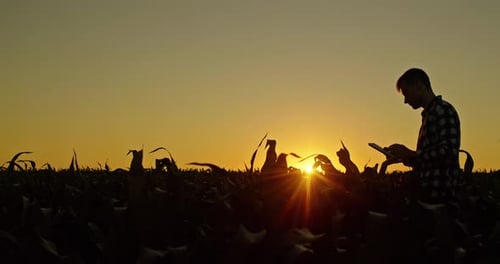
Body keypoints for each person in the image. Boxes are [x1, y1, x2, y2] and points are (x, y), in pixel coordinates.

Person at [384, 68, 462, 204]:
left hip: (440, 197)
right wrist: (405, 157)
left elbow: (448, 152)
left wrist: (410, 154)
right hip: (429, 195)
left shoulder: (443, 110)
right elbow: (429, 159)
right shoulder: (430, 114)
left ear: (419, 86)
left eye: (406, 93)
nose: (405, 100)